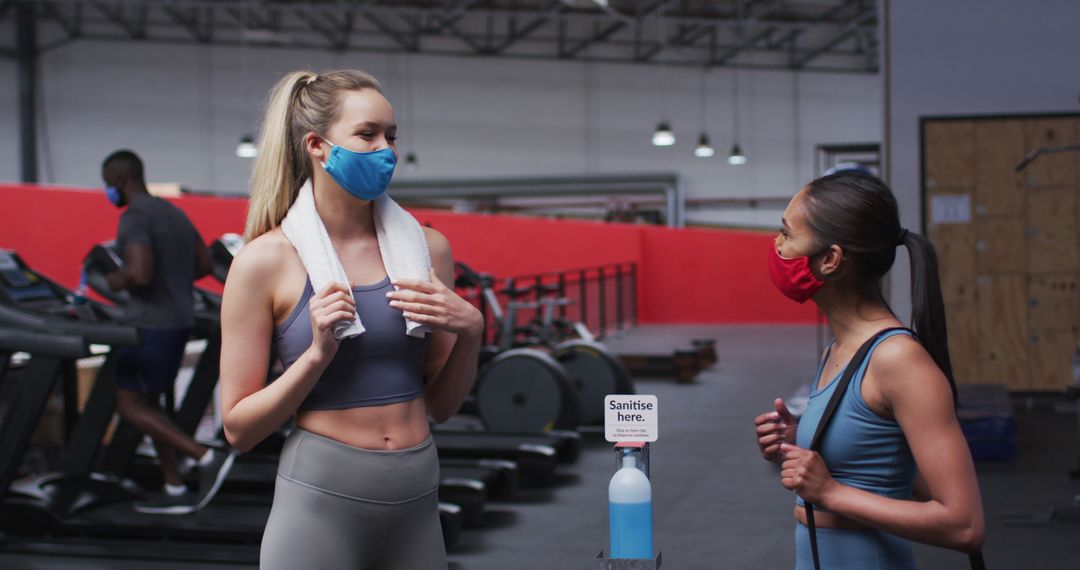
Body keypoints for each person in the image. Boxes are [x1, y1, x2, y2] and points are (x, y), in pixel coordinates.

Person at [219, 70, 483, 569]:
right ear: (317, 145)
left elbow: (443, 407)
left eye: (392, 135)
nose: (386, 149)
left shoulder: (428, 250)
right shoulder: (264, 261)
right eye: (368, 134)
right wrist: (317, 354)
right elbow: (239, 430)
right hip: (320, 502)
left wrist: (472, 332)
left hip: (418, 495)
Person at [753, 171, 985, 569]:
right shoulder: (838, 350)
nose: (777, 245)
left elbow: (964, 526)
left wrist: (831, 493)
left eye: (786, 234)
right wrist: (804, 441)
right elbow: (892, 469)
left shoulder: (898, 360)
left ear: (830, 259)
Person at [100, 150, 235, 515]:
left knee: (129, 406)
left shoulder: (135, 217)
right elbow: (205, 263)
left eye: (109, 184)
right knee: (152, 404)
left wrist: (115, 279)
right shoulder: (174, 212)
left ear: (120, 180)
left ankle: (205, 456)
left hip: (148, 324)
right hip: (179, 319)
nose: (108, 191)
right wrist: (173, 281)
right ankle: (173, 484)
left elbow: (139, 273)